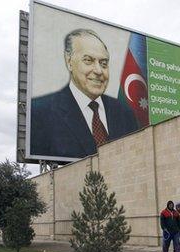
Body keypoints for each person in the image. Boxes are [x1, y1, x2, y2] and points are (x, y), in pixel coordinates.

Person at [31, 29, 138, 159]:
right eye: (88, 60)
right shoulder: (39, 113)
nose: (99, 71)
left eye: (104, 63)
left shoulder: (125, 113)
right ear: (69, 61)